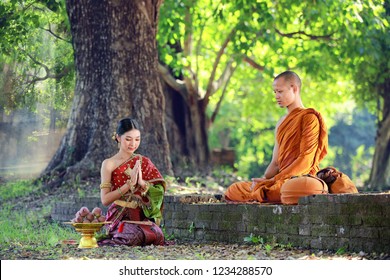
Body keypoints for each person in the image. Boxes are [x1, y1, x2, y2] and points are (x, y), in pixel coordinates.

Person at [224, 70, 328, 203]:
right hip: (280, 181)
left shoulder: (309, 118)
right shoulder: (281, 122)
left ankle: (263, 194)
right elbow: (275, 163)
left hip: (300, 179)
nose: (276, 96)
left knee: (291, 188)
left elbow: (306, 160)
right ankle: (262, 193)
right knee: (235, 189)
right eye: (275, 92)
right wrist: (263, 180)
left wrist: (274, 180)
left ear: (294, 89)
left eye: (280, 91)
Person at [98, 117, 166, 246]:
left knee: (158, 236)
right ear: (118, 138)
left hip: (141, 216)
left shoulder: (143, 161)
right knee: (133, 236)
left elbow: (159, 191)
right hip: (119, 216)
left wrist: (141, 183)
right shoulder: (108, 164)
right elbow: (105, 200)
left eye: (137, 139)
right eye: (128, 139)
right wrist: (128, 185)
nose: (133, 144)